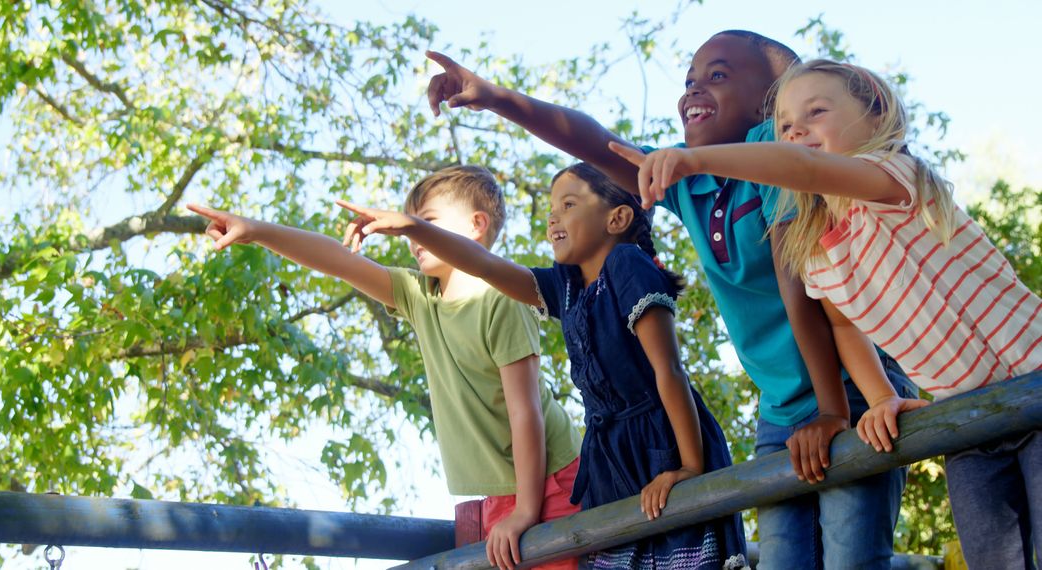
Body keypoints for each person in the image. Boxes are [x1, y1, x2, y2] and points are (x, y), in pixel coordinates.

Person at [425, 31, 913, 569]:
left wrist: (830, 410)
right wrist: (496, 97)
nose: (693, 90)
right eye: (689, 80)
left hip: (849, 388)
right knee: (782, 559)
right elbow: (595, 143)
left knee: (851, 554)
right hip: (782, 409)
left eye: (718, 75)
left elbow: (799, 286)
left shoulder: (778, 163)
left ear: (771, 104)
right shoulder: (690, 177)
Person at [613, 58, 1042, 569]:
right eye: (788, 126)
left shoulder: (896, 180)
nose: (798, 133)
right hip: (967, 421)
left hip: (1032, 381)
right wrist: (881, 396)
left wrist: (697, 161)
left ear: (875, 109)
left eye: (817, 112)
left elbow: (806, 168)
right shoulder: (816, 246)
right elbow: (844, 325)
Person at [337, 162, 748, 570]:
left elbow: (669, 372)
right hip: (608, 460)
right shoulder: (564, 287)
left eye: (568, 204)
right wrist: (413, 228)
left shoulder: (627, 265)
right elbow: (482, 265)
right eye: (551, 208)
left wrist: (690, 467)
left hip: (665, 445)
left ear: (617, 217)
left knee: (687, 558)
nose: (553, 217)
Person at [186, 166, 583, 570]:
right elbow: (338, 261)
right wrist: (255, 230)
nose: (414, 239)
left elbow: (525, 412)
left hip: (548, 482)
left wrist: (525, 510)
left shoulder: (503, 297)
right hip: (497, 493)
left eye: (426, 223)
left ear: (477, 225)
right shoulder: (420, 297)